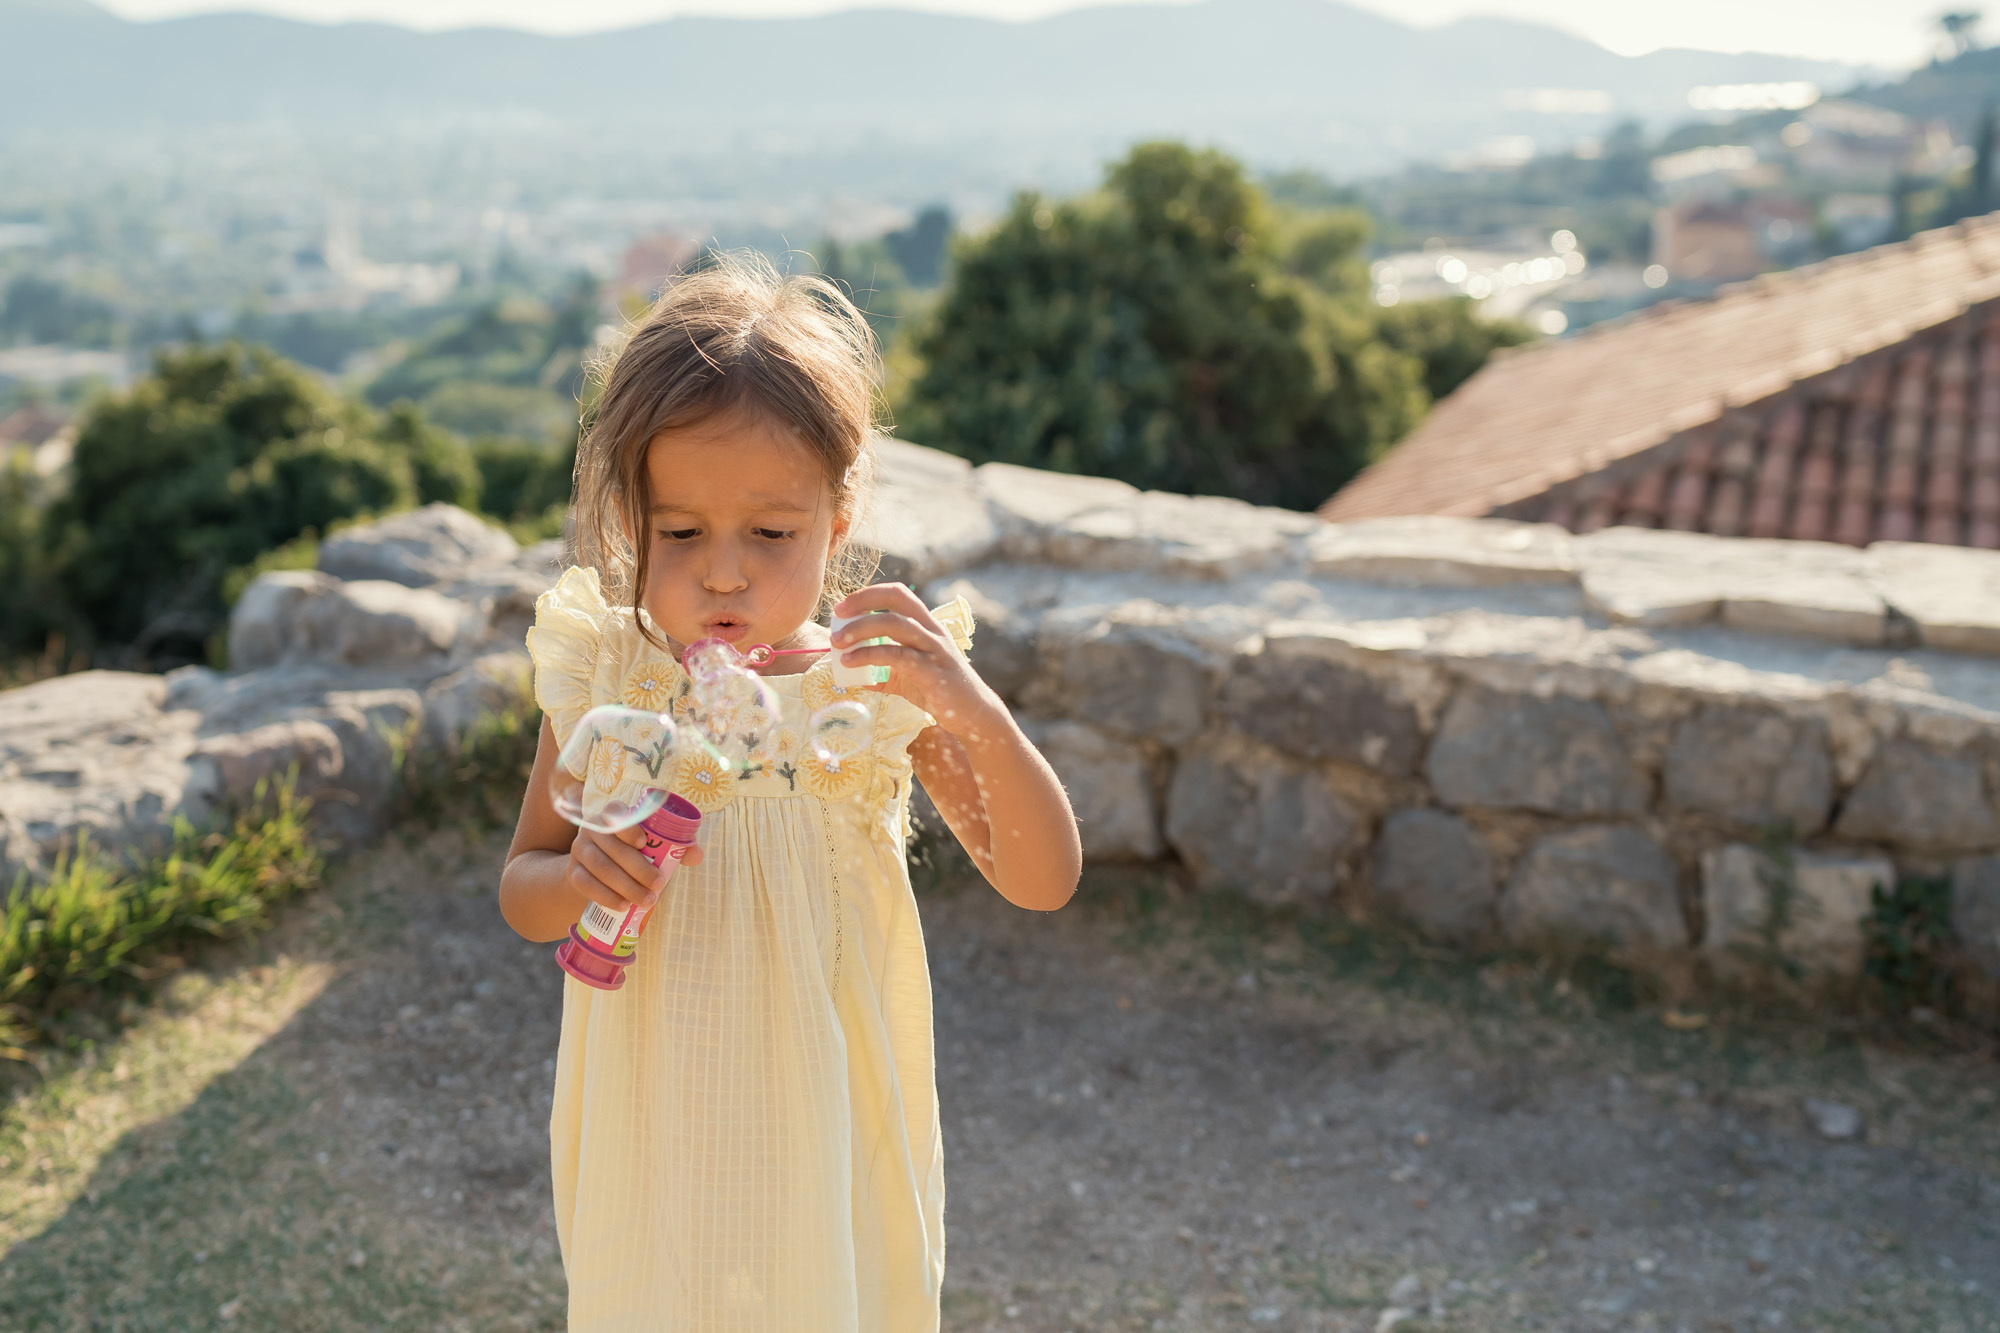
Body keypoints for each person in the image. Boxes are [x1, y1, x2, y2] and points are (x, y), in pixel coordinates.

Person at [498, 253, 1082, 1331]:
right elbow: (524, 886)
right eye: (680, 533)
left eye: (770, 534)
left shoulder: (873, 686)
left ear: (840, 510)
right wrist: (577, 871)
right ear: (631, 518)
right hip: (657, 1103)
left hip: (829, 1102)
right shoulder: (615, 677)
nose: (723, 573)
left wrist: (974, 711)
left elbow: (1041, 879)